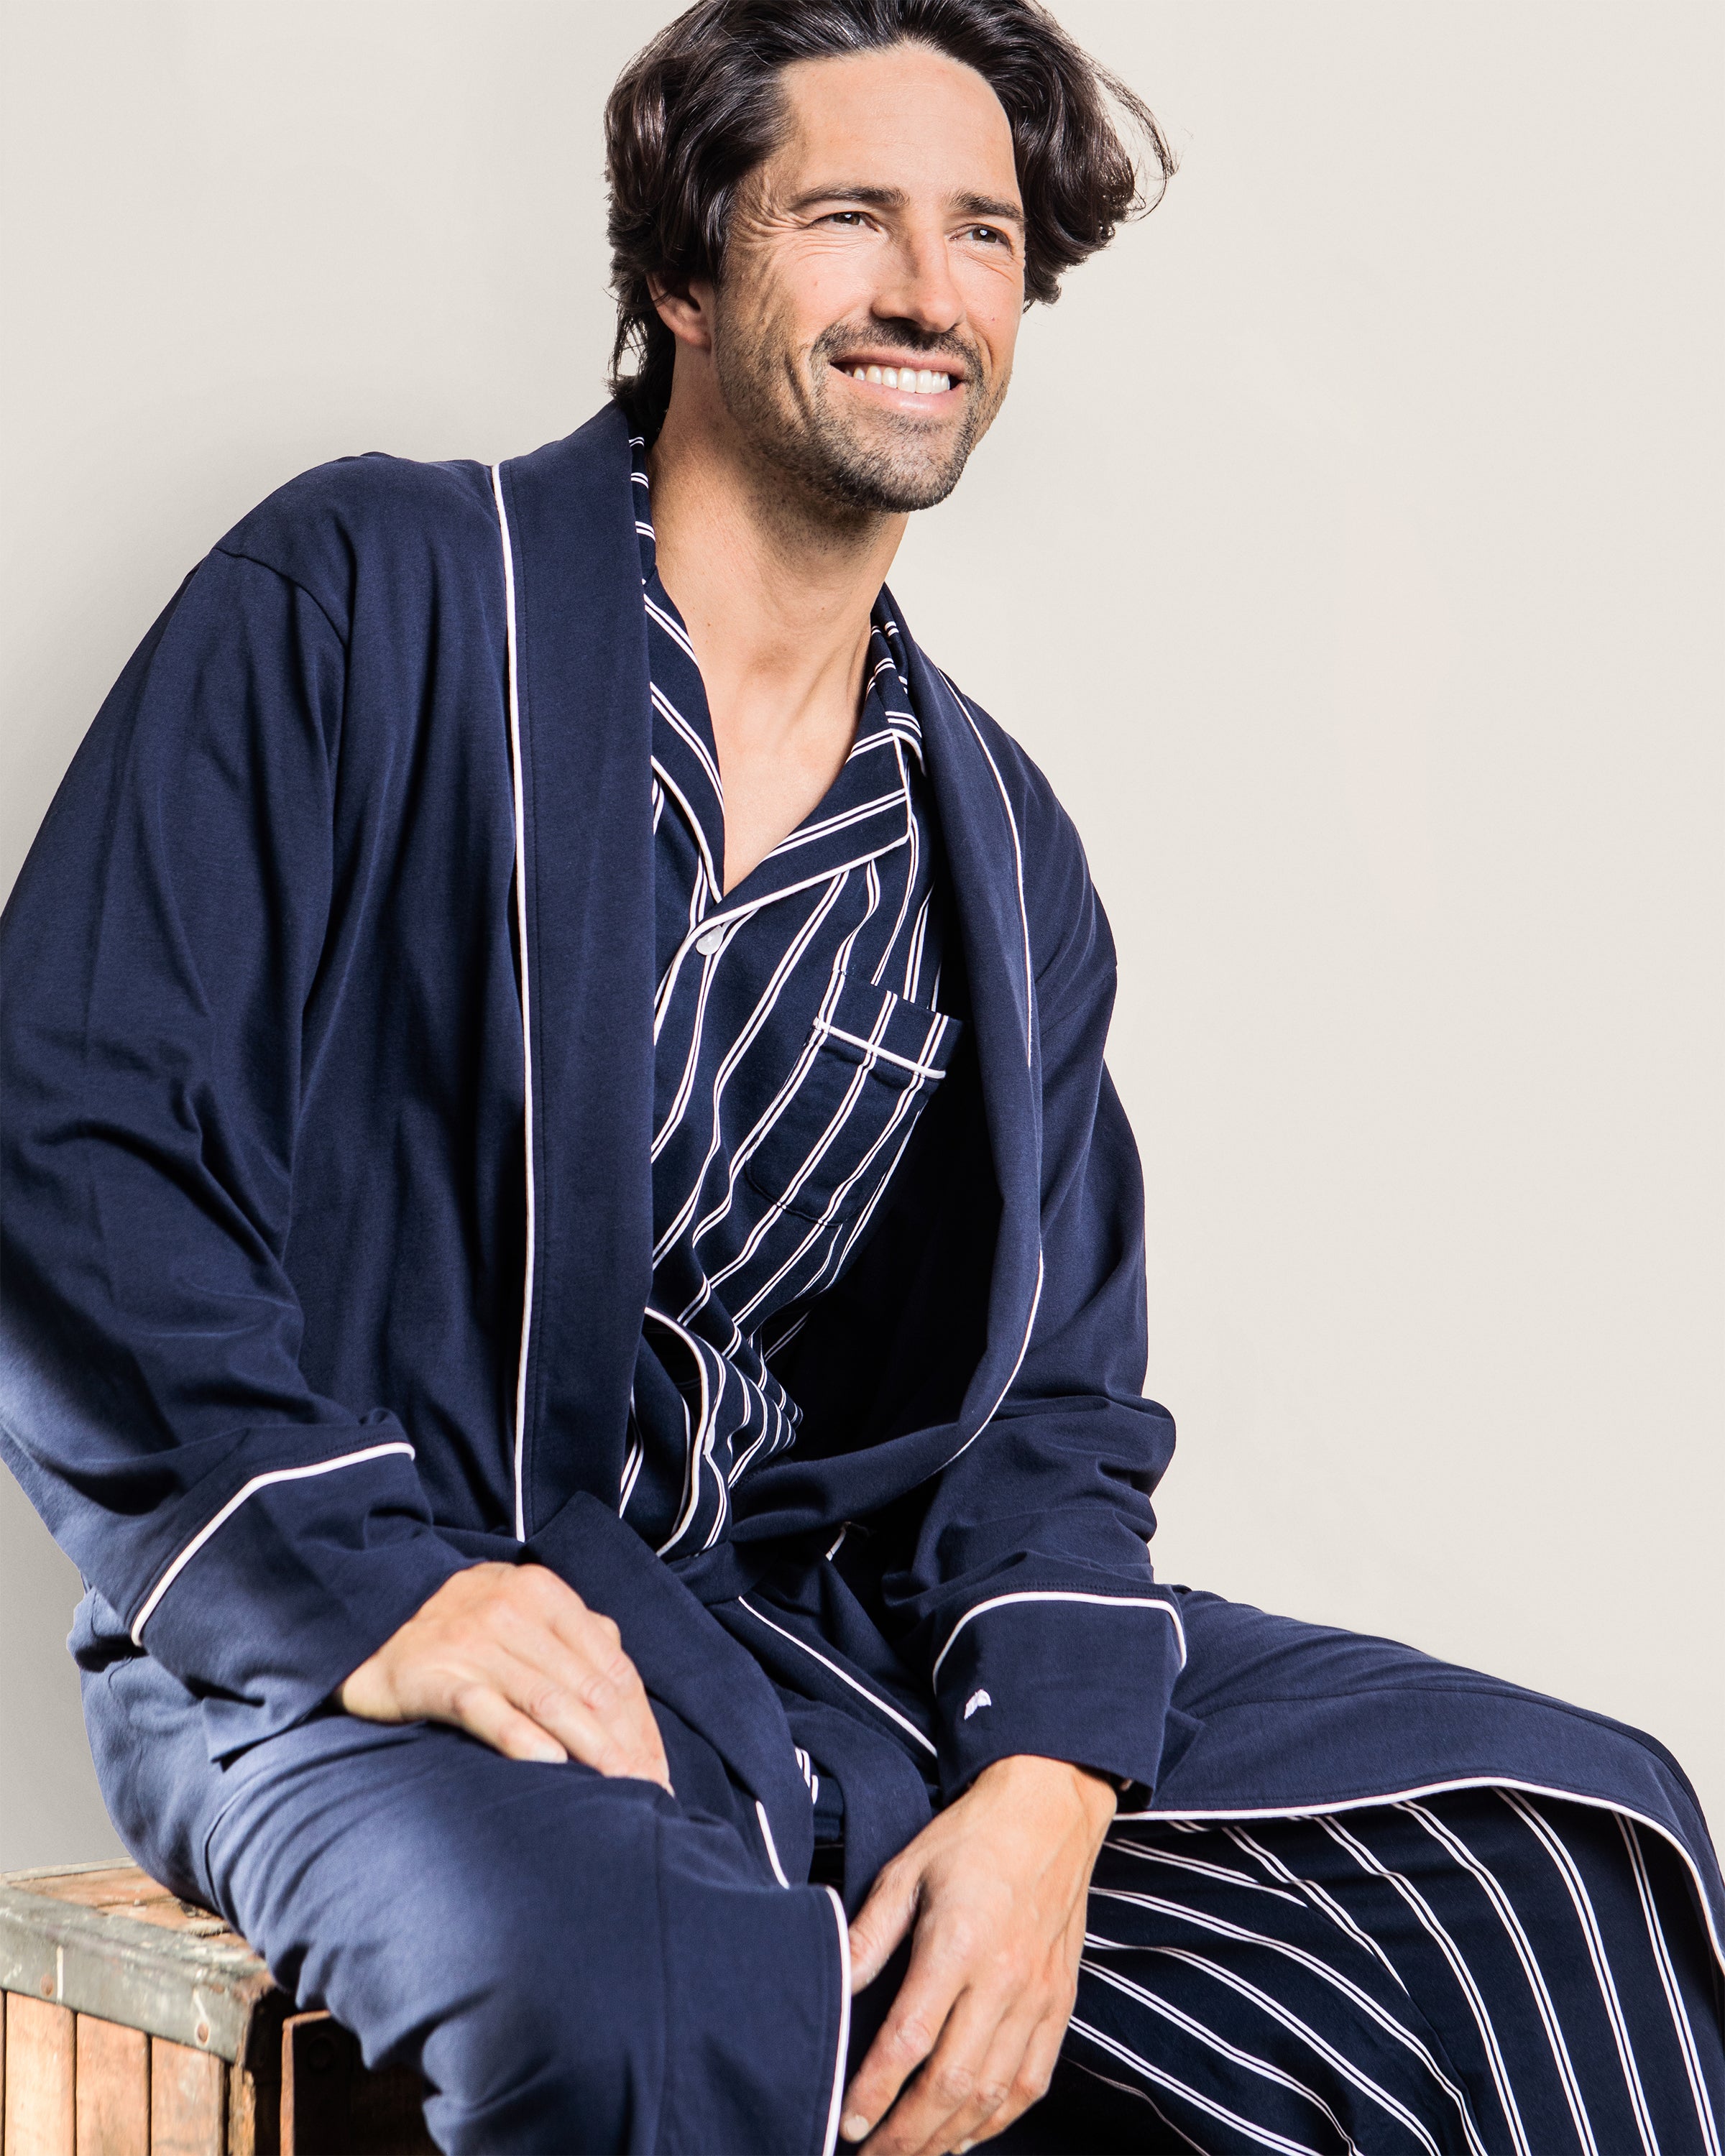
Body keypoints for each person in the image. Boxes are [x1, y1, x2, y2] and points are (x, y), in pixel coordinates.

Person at [2, 2, 1721, 2150]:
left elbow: (1051, 1414)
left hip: (815, 1637)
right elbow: (74, 1141)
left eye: (986, 234)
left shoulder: (996, 844)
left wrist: (1045, 1786)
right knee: (641, 1986)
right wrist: (383, 1597)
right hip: (361, 1625)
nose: (932, 288)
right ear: (683, 276)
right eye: (851, 216)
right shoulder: (367, 596)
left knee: (1562, 1845)